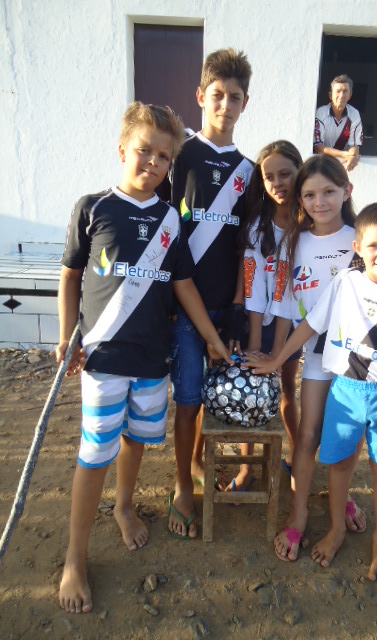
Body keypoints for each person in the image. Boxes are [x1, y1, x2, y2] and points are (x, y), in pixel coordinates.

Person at [56, 102, 232, 614]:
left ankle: (124, 507)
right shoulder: (93, 208)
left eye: (163, 156)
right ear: (122, 150)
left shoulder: (170, 220)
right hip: (104, 359)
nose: (153, 162)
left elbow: (184, 285)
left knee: (136, 439)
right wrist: (66, 337)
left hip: (154, 362)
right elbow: (70, 276)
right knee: (95, 453)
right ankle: (74, 558)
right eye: (144, 150)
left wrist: (212, 339)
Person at [249, 201, 377, 584]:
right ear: (357, 247)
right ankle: (335, 531)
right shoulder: (346, 283)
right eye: (374, 245)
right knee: (340, 466)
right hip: (345, 393)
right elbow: (310, 325)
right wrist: (277, 359)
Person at [245, 154, 368, 561]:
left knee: (346, 437)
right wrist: (276, 357)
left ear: (346, 192)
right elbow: (283, 303)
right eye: (310, 195)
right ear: (300, 199)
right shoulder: (293, 242)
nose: (320, 202)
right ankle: (298, 515)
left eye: (328, 192)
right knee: (308, 435)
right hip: (315, 355)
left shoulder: (362, 239)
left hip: (358, 363)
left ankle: (341, 498)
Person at [169, 49, 253, 535]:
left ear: (245, 103)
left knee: (221, 397)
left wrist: (239, 307)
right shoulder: (180, 156)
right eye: (217, 95)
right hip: (184, 308)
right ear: (201, 96)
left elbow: (247, 247)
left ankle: (201, 460)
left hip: (227, 307)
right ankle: (183, 484)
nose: (225, 104)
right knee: (188, 401)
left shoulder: (248, 171)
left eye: (234, 97)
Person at [230, 141, 304, 492]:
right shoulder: (257, 226)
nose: (277, 183)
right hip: (257, 320)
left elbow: (291, 292)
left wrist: (277, 354)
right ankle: (247, 469)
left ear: (300, 172)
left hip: (293, 326)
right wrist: (258, 347)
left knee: (287, 388)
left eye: (285, 174)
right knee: (253, 387)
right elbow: (253, 287)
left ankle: (298, 457)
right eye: (269, 176)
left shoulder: (308, 227)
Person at [313, 74, 363, 172]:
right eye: (338, 91)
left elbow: (354, 145)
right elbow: (318, 146)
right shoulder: (321, 113)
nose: (342, 95)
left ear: (350, 95)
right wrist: (344, 154)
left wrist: (353, 155)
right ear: (330, 95)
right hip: (321, 165)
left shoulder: (354, 114)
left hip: (341, 167)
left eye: (345, 91)